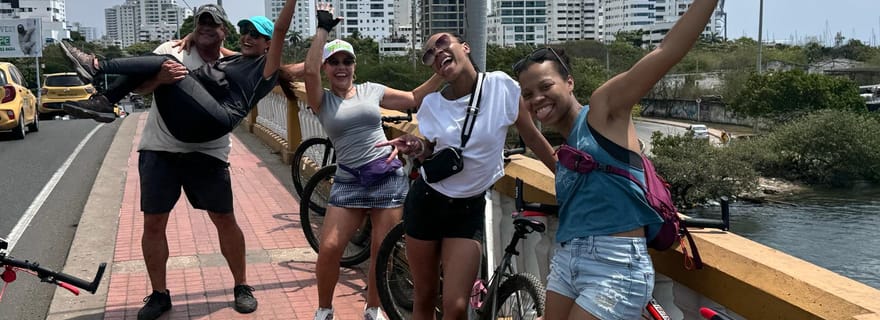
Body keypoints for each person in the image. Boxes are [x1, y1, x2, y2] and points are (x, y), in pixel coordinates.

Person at [511, 0, 719, 319]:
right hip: (568, 260)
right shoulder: (567, 155)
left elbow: (667, 51)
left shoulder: (604, 111)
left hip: (615, 265)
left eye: (545, 86)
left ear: (569, 83)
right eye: (528, 94)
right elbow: (536, 142)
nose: (536, 98)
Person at [117, 2, 294, 319]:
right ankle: (159, 295)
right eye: (201, 24)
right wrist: (161, 79)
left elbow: (276, 59)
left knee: (224, 219)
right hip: (160, 147)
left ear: (222, 32)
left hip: (208, 151)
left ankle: (241, 285)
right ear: (194, 27)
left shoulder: (232, 59)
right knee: (154, 223)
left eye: (213, 25)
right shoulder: (172, 49)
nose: (206, 29)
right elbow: (141, 88)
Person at [377, 32, 557, 320]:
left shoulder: (501, 87)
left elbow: (533, 138)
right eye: (429, 54)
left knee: (457, 306)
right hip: (427, 202)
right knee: (423, 296)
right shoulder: (432, 105)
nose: (437, 53)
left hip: (467, 209)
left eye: (442, 43)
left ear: (465, 46)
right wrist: (418, 146)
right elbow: (432, 151)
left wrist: (565, 176)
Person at [304, 4, 443, 320]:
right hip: (349, 179)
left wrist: (439, 74)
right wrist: (323, 29)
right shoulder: (321, 100)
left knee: (383, 250)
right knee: (329, 248)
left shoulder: (371, 90)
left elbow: (412, 99)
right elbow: (308, 71)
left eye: (347, 61)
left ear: (355, 66)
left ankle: (373, 308)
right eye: (334, 62)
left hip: (386, 175)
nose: (341, 67)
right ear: (326, 67)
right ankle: (324, 309)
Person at [58, 3, 303, 143]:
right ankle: (104, 101)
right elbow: (215, 43)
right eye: (246, 31)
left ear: (269, 43)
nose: (248, 37)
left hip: (220, 118)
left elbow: (281, 29)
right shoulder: (238, 58)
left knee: (166, 61)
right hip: (190, 124)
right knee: (161, 63)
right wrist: (191, 35)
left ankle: (97, 67)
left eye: (256, 35)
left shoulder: (267, 68)